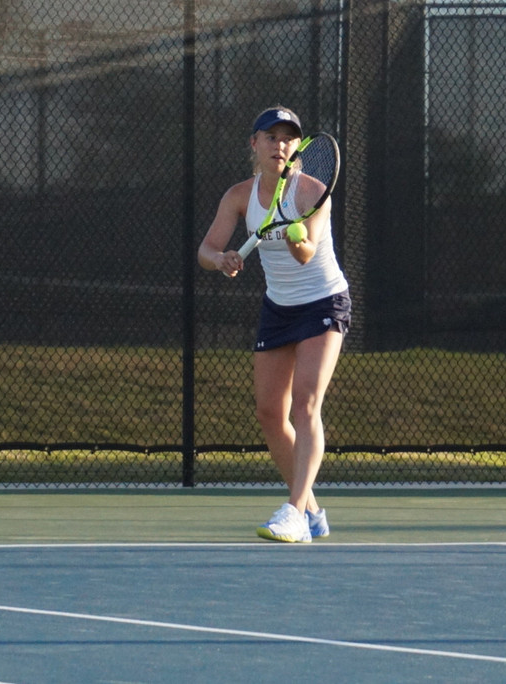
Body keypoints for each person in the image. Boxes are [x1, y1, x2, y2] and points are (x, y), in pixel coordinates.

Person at [197, 106, 351, 543]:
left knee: (305, 404)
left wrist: (297, 236)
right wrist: (221, 259)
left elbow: (306, 255)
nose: (279, 145)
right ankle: (313, 512)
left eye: (288, 139)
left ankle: (295, 511)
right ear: (255, 144)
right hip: (279, 308)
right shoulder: (239, 196)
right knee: (269, 413)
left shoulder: (313, 192)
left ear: (297, 147)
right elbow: (206, 251)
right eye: (271, 137)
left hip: (323, 303)